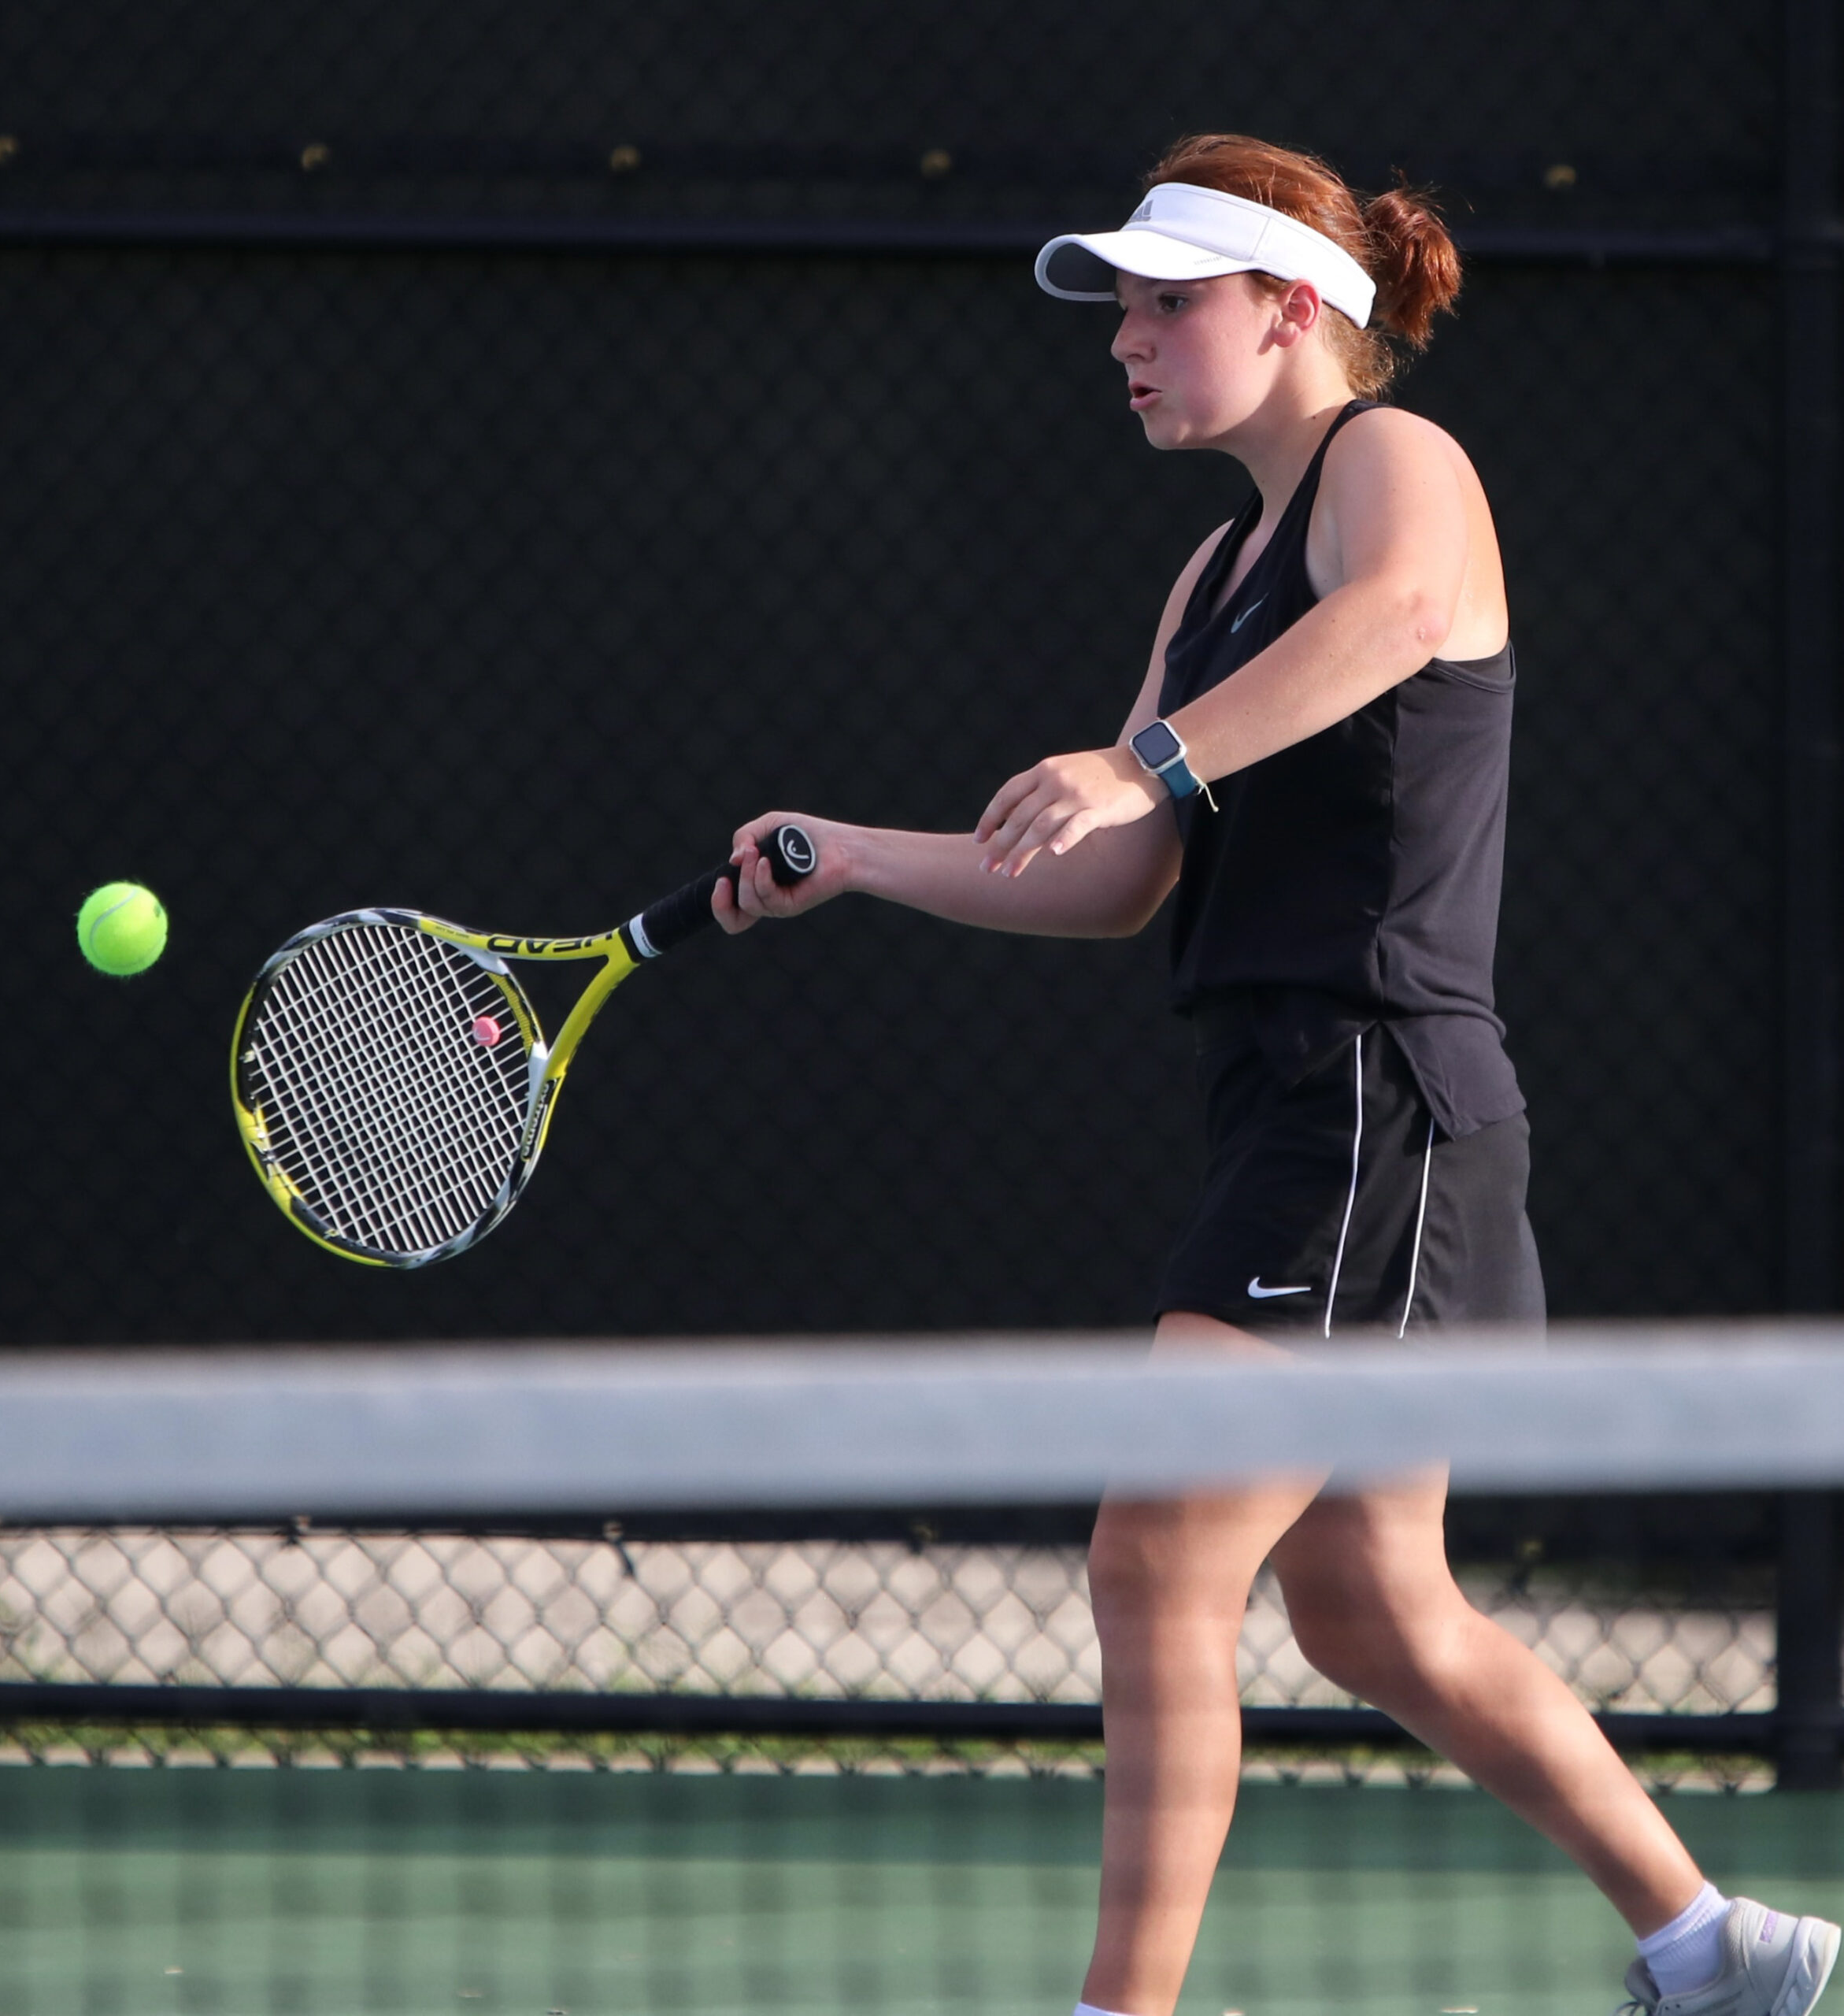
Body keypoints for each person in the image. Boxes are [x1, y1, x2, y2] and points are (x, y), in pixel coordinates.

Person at [711, 133, 1840, 2016]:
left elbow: (1390, 619)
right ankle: (1718, 1946)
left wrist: (1144, 757)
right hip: (1303, 1103)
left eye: (1168, 304)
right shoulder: (1216, 569)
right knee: (1373, 1604)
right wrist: (859, 856)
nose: (1126, 341)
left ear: (1294, 309)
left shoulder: (1397, 463)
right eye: (1123, 310)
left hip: (1372, 1099)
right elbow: (1115, 877)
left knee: (1157, 1551)